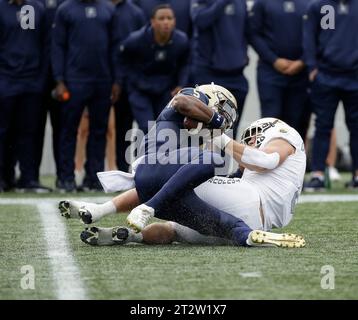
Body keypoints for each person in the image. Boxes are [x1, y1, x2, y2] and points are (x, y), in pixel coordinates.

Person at [60, 117, 306, 248]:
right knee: (173, 229)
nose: (250, 143)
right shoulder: (272, 176)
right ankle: (126, 236)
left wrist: (219, 139)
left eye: (252, 138)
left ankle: (105, 209)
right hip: (248, 221)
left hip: (251, 201)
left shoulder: (285, 135)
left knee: (174, 176)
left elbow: (266, 160)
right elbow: (244, 172)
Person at [52, 0, 120, 192]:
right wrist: (59, 79)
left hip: (102, 80)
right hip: (74, 80)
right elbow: (57, 46)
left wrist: (117, 80)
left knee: (99, 130)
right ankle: (66, 178)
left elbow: (115, 47)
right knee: (68, 130)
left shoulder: (108, 9)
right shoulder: (65, 9)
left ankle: (93, 178)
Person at [303, 0, 358, 191]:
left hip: (355, 77)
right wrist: (312, 68)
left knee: (356, 126)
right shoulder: (317, 5)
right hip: (326, 75)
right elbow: (308, 37)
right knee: (323, 126)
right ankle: (318, 174)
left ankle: (357, 174)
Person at [0, 0, 50, 192]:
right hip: (5, 79)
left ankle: (28, 178)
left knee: (29, 132)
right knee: (2, 132)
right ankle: (4, 178)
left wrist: (40, 78)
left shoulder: (38, 8)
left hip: (31, 81)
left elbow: (46, 44)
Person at [118, 4, 190, 134]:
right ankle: (145, 154)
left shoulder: (181, 40)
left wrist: (181, 84)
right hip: (140, 89)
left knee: (166, 129)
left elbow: (185, 64)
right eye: (161, 18)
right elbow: (123, 61)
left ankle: (164, 155)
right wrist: (133, 83)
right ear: (152, 21)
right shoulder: (136, 40)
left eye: (169, 18)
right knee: (147, 128)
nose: (166, 22)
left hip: (165, 90)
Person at [247, 0, 310, 139]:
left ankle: (294, 160)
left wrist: (302, 61)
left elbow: (318, 33)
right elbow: (253, 33)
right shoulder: (262, 3)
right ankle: (269, 159)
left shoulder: (311, 3)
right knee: (270, 121)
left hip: (301, 73)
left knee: (296, 122)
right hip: (270, 72)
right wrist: (273, 60)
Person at [190, 0, 250, 138]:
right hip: (209, 75)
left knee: (230, 130)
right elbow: (200, 20)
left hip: (236, 75)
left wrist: (244, 54)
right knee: (206, 131)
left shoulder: (241, 2)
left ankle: (225, 160)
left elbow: (248, 31)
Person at [112, 0, 146, 172]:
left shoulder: (135, 13)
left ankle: (139, 168)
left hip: (133, 82)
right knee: (117, 128)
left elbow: (142, 48)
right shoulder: (103, 9)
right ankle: (119, 168)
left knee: (143, 126)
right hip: (106, 78)